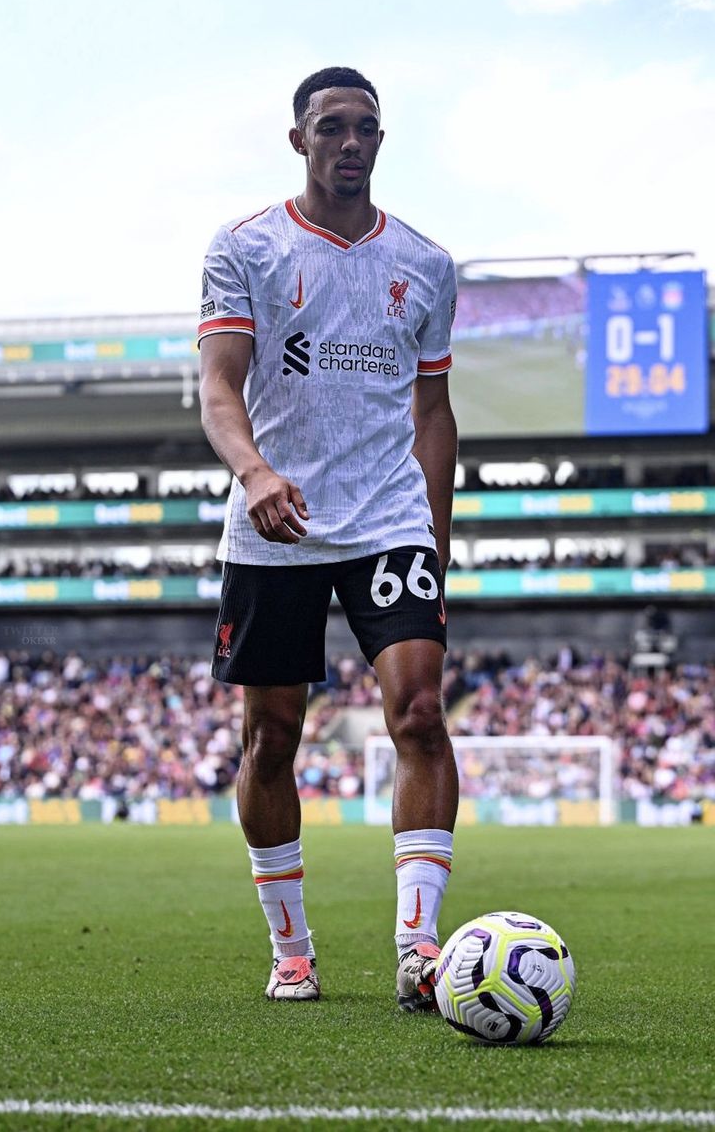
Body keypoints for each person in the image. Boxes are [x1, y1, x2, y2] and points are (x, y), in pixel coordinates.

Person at [198, 66, 459, 1009]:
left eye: (367, 129)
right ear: (299, 138)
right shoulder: (248, 247)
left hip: (388, 516)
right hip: (277, 522)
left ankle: (420, 949)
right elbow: (219, 388)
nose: (351, 142)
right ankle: (293, 947)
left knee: (420, 715)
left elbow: (434, 412)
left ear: (381, 141)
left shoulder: (426, 263)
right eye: (331, 127)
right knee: (271, 737)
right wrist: (257, 473)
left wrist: (433, 539)